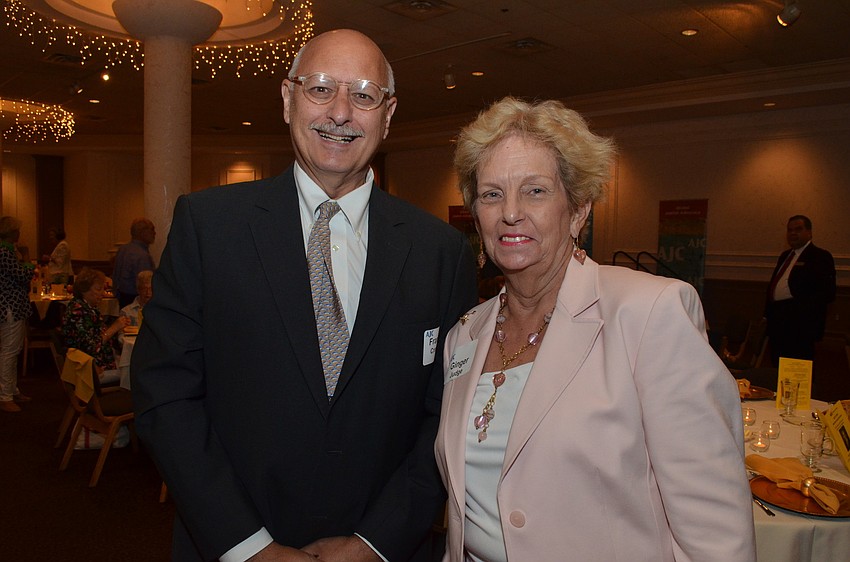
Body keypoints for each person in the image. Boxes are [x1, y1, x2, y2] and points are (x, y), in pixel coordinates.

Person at [132, 29, 477, 562]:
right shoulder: (209, 227)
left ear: (387, 115)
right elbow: (166, 394)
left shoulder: (441, 251)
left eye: (363, 95)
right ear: (288, 99)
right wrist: (250, 547)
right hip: (231, 544)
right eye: (320, 89)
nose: (340, 112)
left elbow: (446, 417)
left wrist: (375, 543)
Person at [435, 97, 755, 561]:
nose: (510, 212)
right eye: (491, 194)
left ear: (579, 210)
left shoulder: (649, 313)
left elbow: (717, 534)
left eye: (535, 191)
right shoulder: (464, 335)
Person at [764, 215, 836, 365]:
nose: (793, 233)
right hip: (778, 322)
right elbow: (774, 286)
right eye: (789, 230)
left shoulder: (820, 256)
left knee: (798, 367)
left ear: (809, 232)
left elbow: (826, 293)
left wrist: (800, 312)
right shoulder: (785, 256)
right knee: (777, 364)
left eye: (798, 229)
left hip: (800, 325)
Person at [62, 267, 130, 386]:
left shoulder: (88, 308)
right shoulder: (78, 311)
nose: (102, 293)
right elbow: (91, 347)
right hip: (89, 369)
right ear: (84, 290)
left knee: (131, 362)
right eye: (98, 289)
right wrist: (114, 327)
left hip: (98, 362)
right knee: (133, 370)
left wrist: (119, 328)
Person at [0, 217, 35, 413]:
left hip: (10, 306)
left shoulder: (6, 251)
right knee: (9, 351)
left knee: (11, 350)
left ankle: (11, 390)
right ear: (13, 233)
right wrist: (28, 257)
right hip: (10, 306)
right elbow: (22, 276)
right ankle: (5, 395)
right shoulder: (5, 252)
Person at [112, 218, 155, 307]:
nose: (154, 233)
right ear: (142, 232)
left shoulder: (122, 249)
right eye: (152, 229)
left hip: (121, 298)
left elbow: (115, 277)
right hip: (137, 301)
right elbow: (146, 285)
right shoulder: (142, 256)